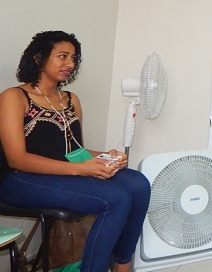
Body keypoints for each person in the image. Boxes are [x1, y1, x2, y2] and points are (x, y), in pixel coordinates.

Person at [0, 31, 151, 272]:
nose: (70, 63)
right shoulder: (14, 97)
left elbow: (74, 150)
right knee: (116, 198)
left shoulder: (71, 99)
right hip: (19, 180)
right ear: (39, 57)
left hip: (63, 174)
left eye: (73, 58)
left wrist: (105, 156)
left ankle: (122, 263)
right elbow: (16, 159)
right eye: (62, 56)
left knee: (138, 184)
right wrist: (81, 170)